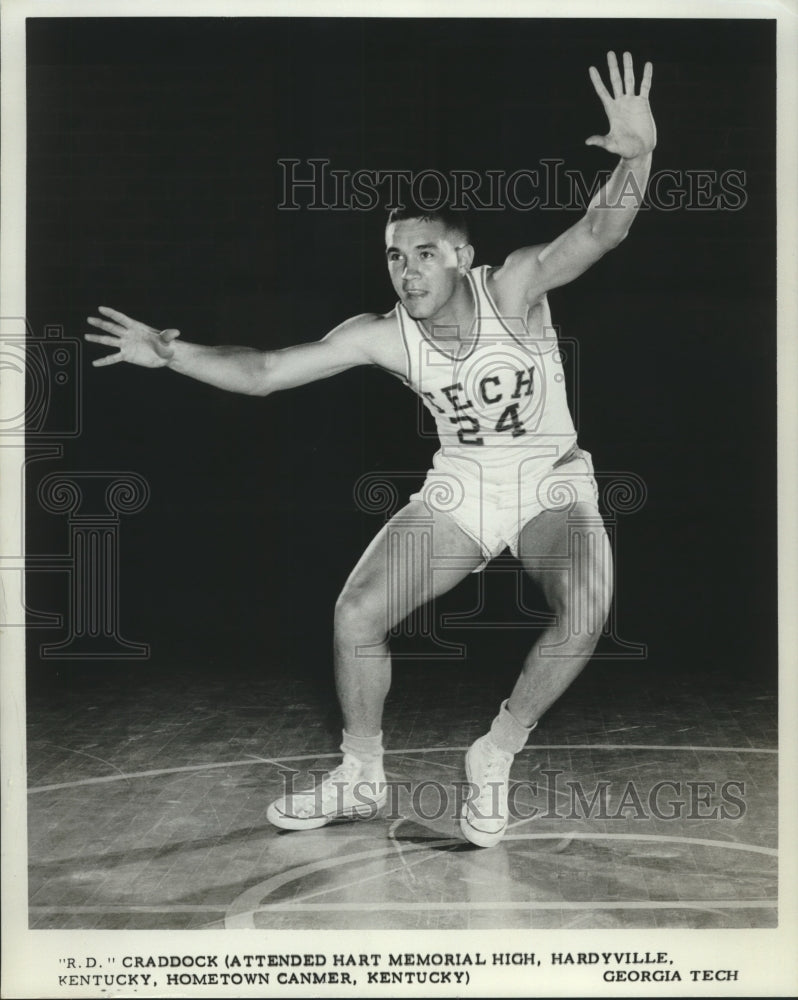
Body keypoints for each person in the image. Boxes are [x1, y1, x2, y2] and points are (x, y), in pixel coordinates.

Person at [85, 51, 655, 848]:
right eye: (394, 255)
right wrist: (171, 352)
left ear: (460, 255)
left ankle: (496, 752)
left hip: (552, 483)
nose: (407, 269)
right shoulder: (382, 336)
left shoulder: (516, 287)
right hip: (465, 485)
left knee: (587, 611)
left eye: (424, 253)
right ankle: (360, 775)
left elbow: (604, 228)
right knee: (355, 614)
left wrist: (639, 156)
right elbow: (265, 372)